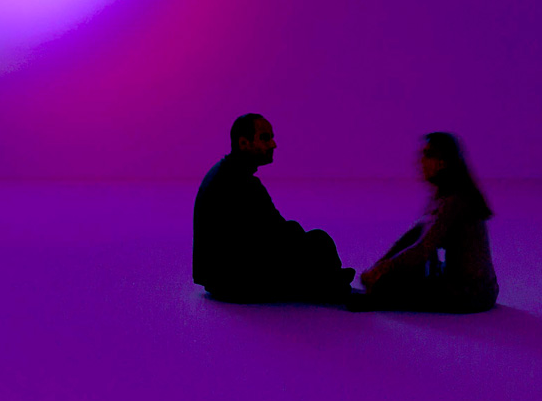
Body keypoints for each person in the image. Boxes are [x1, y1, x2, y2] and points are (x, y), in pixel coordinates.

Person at [193, 113, 354, 302]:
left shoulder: (225, 173)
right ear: (244, 143)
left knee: (310, 242)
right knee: (320, 242)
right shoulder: (242, 183)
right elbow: (276, 232)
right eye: (264, 138)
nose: (273, 144)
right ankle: (333, 285)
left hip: (218, 279)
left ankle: (331, 281)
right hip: (233, 282)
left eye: (271, 137)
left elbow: (268, 229)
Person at [353, 132, 498, 313]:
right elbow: (416, 236)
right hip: (479, 288)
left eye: (428, 155)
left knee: (387, 285)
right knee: (402, 265)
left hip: (471, 293)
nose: (420, 161)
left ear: (442, 162)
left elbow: (422, 250)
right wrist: (381, 265)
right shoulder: (443, 195)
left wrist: (383, 269)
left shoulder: (454, 200)